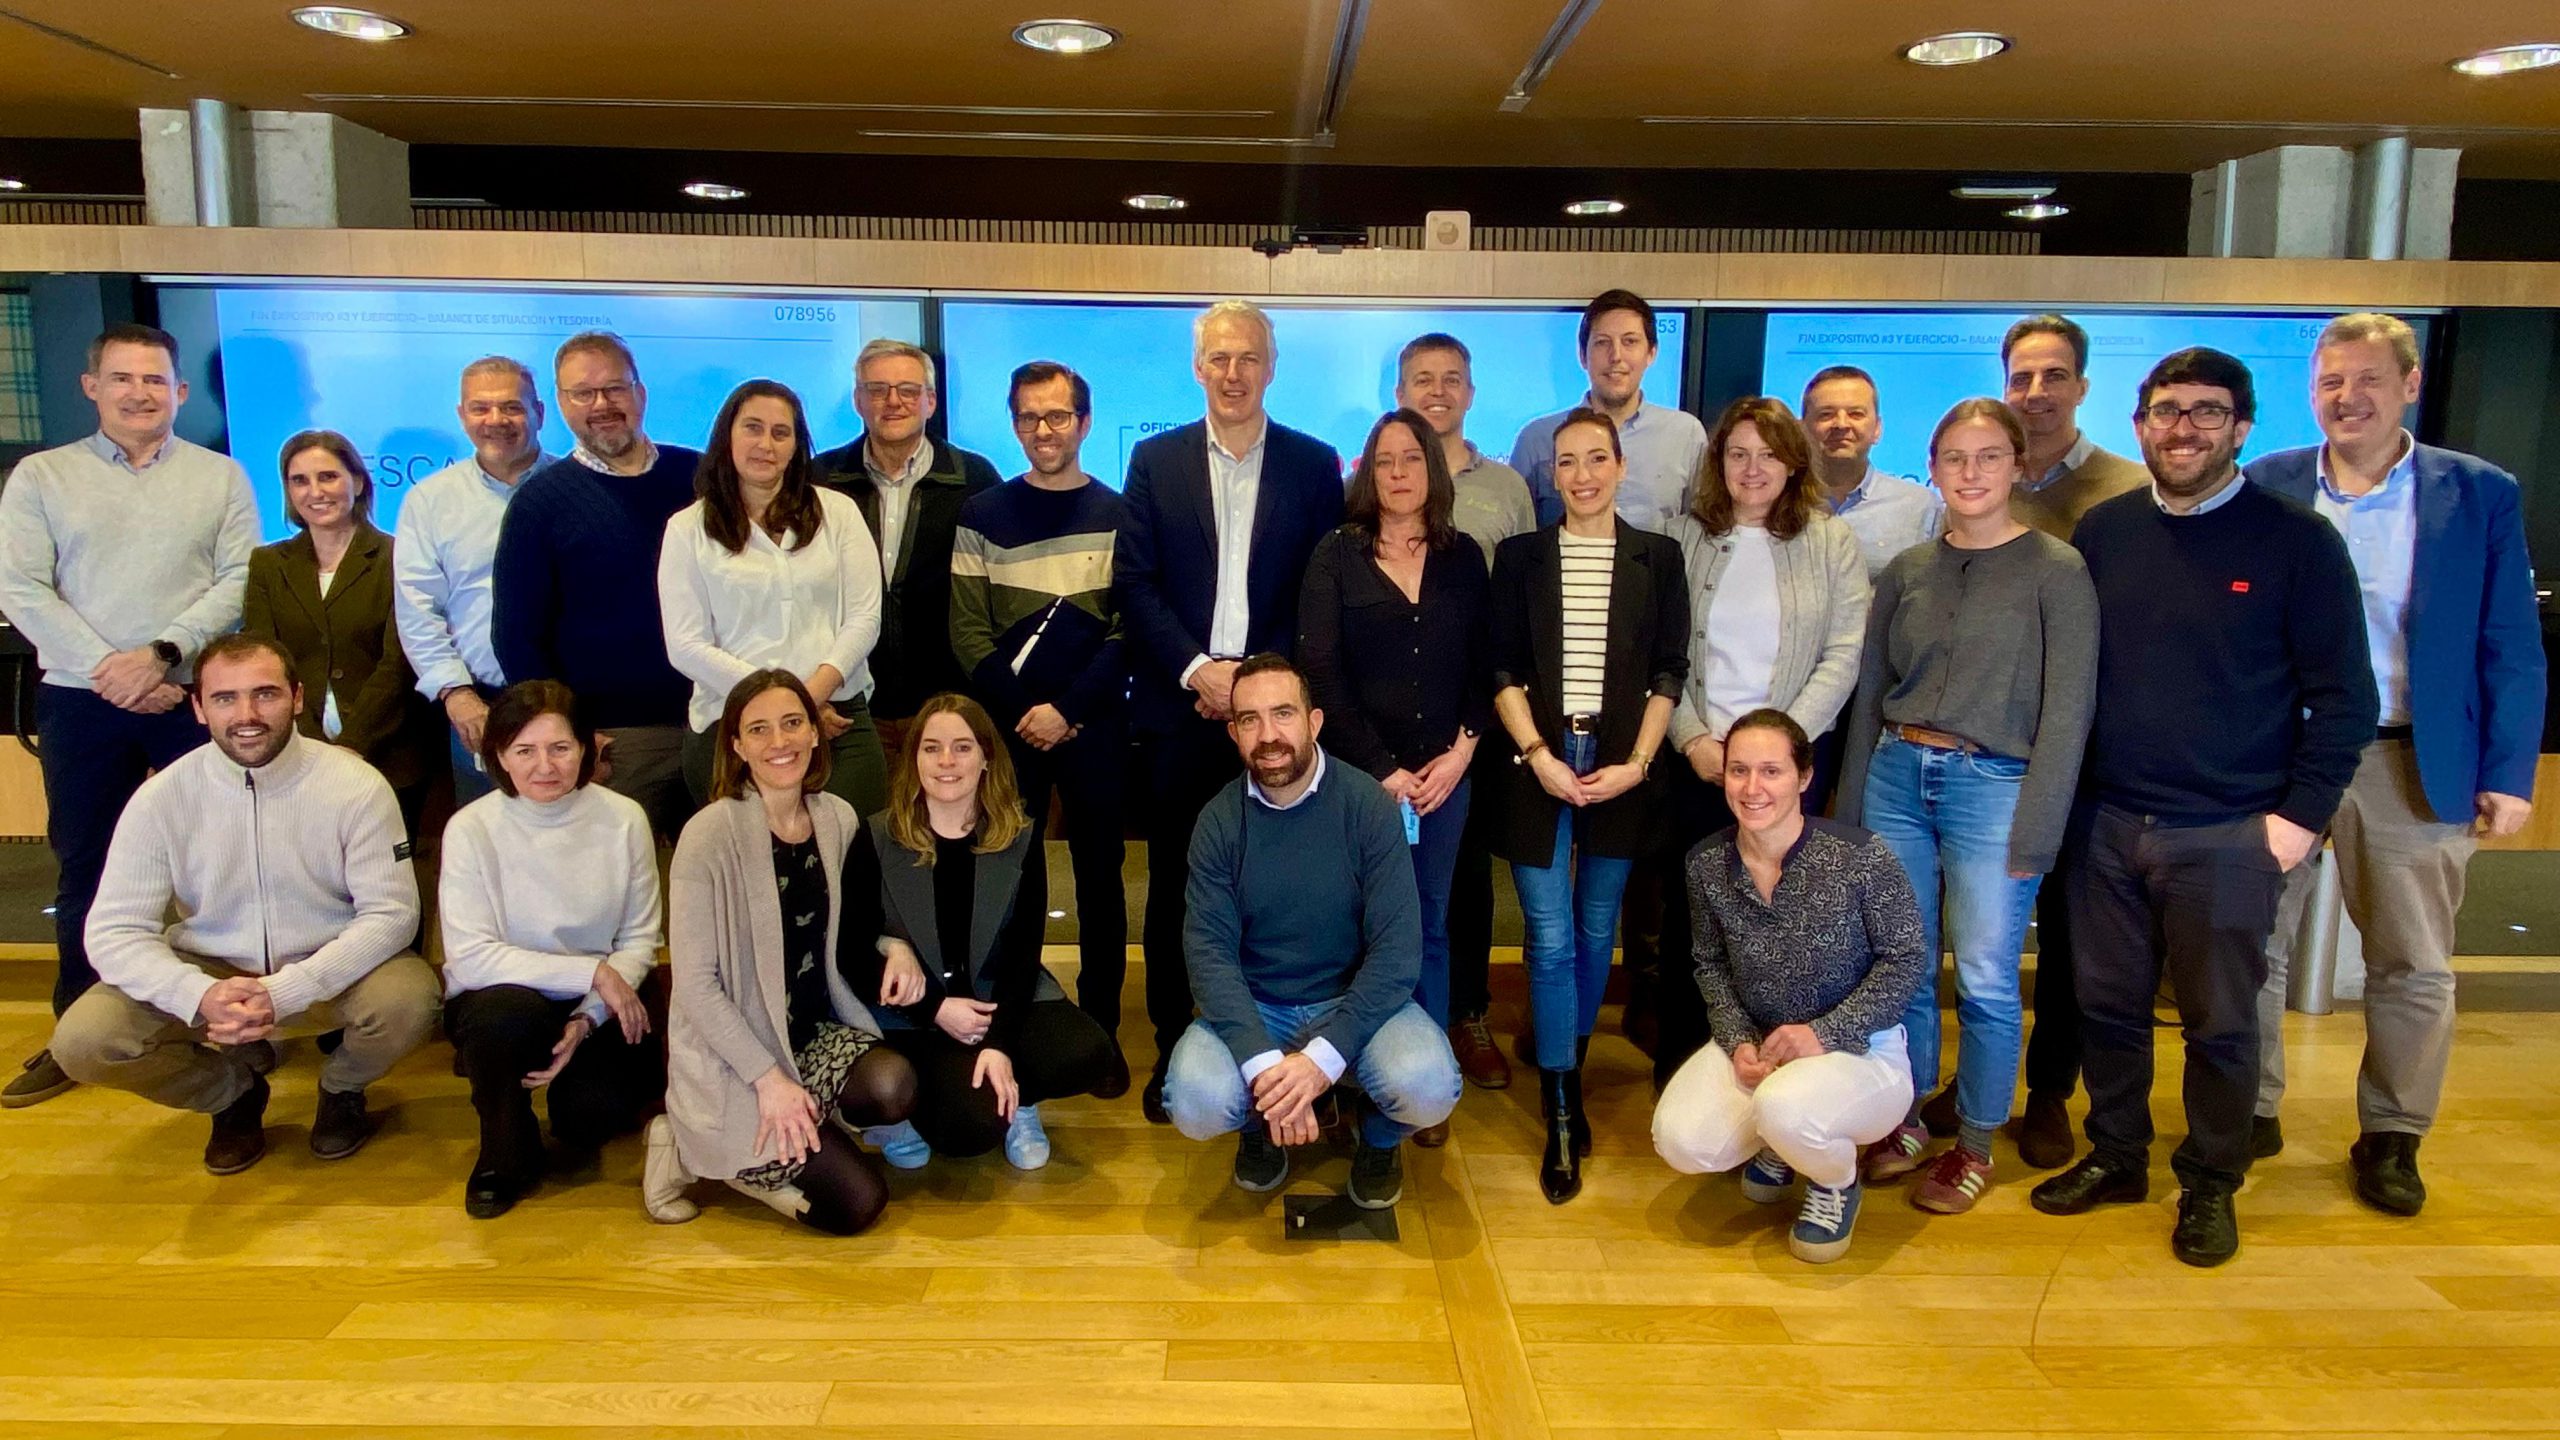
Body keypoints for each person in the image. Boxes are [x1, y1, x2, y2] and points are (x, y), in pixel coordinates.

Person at [2030, 348, 2375, 1269]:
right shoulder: (2104, 533)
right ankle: (2116, 1156)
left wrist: (2297, 822)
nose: (2183, 429)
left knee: (2222, 1022)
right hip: (2106, 822)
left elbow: (2346, 698)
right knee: (2106, 1007)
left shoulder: (2297, 542)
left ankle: (2211, 1182)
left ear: (2242, 429)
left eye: (2206, 413)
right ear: (2139, 424)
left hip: (2228, 830)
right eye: (2167, 411)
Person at [2244, 312, 2545, 1215]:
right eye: (2332, 381)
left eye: (2368, 379)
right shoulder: (2271, 483)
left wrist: (2510, 771)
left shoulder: (2477, 492)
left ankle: (2392, 1134)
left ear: (2409, 385)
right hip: (2284, 753)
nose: (2349, 397)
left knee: (2412, 961)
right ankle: (2250, 1110)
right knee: (2249, 944)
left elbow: (2511, 642)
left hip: (2412, 755)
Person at [1834, 398, 2099, 1212]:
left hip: (1997, 789)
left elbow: (2068, 710)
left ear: (2017, 465)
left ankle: (1976, 1141)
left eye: (1988, 457)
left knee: (1984, 977)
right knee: (1903, 969)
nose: (1971, 473)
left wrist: (2041, 828)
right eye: (1954, 458)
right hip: (1897, 775)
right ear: (1934, 467)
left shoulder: (2058, 570)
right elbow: (1872, 690)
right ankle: (1906, 1116)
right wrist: (1850, 811)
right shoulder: (1911, 569)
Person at [51, 634, 434, 1172]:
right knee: (84, 1041)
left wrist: (286, 991)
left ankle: (342, 1088)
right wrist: (199, 994)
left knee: (410, 1000)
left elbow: (392, 915)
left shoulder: (356, 785)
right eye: (225, 698)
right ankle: (231, 1096)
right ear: (199, 708)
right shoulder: (162, 798)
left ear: (297, 698)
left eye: (266, 694)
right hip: (211, 973)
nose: (247, 714)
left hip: (325, 969)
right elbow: (114, 931)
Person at [0, 323, 256, 1109]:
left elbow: (240, 578)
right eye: (123, 379)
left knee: (221, 868)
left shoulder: (220, 477)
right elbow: (21, 588)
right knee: (89, 866)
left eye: (154, 380)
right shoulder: (41, 478)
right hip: (83, 701)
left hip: (189, 697)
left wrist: (162, 655)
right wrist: (113, 672)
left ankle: (233, 1023)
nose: (140, 393)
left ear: (180, 390)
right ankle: (77, 1033)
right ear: (92, 386)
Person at [1119, 300, 1345, 1123]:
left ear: (1271, 367)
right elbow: (1135, 583)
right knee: (1181, 881)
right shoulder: (1155, 460)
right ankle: (1179, 1045)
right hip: (1183, 713)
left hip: (1277, 713)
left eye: (1247, 357)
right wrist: (1197, 671)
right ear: (1196, 367)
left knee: (1283, 882)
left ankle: (1291, 1048)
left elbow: (1319, 590)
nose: (1232, 372)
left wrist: (1254, 686)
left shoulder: (1315, 465)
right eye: (1218, 358)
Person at [1163, 654, 1460, 1207]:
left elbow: (1397, 952)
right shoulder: (1219, 822)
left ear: (1314, 721)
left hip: (1351, 1000)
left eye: (1282, 714)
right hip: (1259, 1005)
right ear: (1233, 732)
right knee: (1193, 1102)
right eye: (1249, 719)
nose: (1268, 735)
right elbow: (1208, 957)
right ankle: (1260, 1132)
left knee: (1430, 1087)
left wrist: (1322, 1060)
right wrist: (1263, 1064)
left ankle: (1376, 1139)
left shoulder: (1368, 805)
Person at [1484, 406, 1689, 1204]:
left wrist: (1639, 763)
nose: (1581, 476)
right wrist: (1536, 754)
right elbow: (1500, 668)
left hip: (1622, 767)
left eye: (1596, 459)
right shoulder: (1521, 556)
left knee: (1597, 930)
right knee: (1548, 933)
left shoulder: (1658, 557)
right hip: (1536, 760)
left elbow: (1670, 670)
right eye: (1566, 462)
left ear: (1620, 467)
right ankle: (1561, 1105)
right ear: (1551, 473)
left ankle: (1567, 1069)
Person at [1651, 709, 1928, 1264]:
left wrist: (1823, 1034)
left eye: (1771, 771)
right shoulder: (1706, 863)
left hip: (1859, 1050)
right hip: (1760, 1041)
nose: (1753, 788)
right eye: (1738, 771)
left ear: (1804, 777)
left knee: (1785, 1109)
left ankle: (1835, 1179)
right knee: (1681, 1140)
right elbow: (1709, 964)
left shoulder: (1860, 857)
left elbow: (1906, 960)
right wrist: (1737, 1042)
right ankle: (1785, 1141)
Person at [647, 670, 919, 1234]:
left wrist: (896, 948)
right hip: (739, 1055)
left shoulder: (836, 819)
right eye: (760, 729)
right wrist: (768, 1081)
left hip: (813, 1034)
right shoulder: (708, 835)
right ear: (737, 746)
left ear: (816, 733)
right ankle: (686, 1145)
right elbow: (697, 985)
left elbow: (861, 925)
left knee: (894, 1085)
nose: (780, 742)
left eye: (793, 723)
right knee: (856, 1206)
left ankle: (808, 1117)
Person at [1649, 398, 1867, 1086]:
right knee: (1695, 920)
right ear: (1718, 463)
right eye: (1737, 453)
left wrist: (1780, 754)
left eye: (1768, 454)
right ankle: (1690, 1067)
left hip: (1788, 771)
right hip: (1700, 763)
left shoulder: (1830, 541)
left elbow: (1843, 652)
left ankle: (1781, 1072)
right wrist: (1690, 740)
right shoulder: (1683, 538)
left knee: (1787, 920)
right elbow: (1660, 653)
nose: (1752, 468)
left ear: (1793, 461)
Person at [1297, 408, 1492, 1145]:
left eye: (1412, 459)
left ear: (1432, 471)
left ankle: (1422, 1080)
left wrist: (1463, 750)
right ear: (1367, 473)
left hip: (1447, 778)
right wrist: (1382, 770)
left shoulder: (1463, 556)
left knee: (1427, 926)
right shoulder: (1336, 553)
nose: (1400, 472)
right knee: (1352, 929)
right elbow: (1320, 669)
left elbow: (1487, 662)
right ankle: (1343, 1078)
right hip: (1357, 782)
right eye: (1385, 461)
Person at [948, 360, 1131, 1093]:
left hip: (1094, 727)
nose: (1043, 430)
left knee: (1101, 881)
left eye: (1057, 416)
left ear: (1084, 423)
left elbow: (1128, 630)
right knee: (1011, 880)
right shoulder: (982, 516)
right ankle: (1011, 1026)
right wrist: (1027, 712)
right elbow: (967, 633)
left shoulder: (1121, 513)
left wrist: (1070, 710)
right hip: (1010, 730)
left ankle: (1103, 1030)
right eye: (1028, 417)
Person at [840, 694, 1119, 1171]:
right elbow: (849, 949)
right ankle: (913, 1112)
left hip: (995, 999)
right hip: (915, 1013)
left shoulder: (1018, 836)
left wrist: (999, 1046)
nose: (947, 761)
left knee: (1091, 1054)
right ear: (914, 758)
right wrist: (935, 1006)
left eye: (962, 747)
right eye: (931, 748)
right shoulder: (877, 835)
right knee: (968, 1132)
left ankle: (1016, 1098)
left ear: (987, 757)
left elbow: (1022, 953)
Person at [1997, 313, 2152, 1167]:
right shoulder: (1985, 479)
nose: (2036, 393)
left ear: (2083, 387)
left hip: (2088, 745)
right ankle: (1966, 1087)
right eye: (2022, 377)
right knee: (1979, 928)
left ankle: (2051, 1090)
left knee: (2068, 934)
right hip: (1989, 747)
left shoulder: (2127, 490)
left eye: (2053, 376)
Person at [439, 680, 665, 1219]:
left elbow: (639, 939)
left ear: (586, 748)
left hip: (603, 997)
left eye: (560, 748)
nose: (545, 765)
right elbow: (472, 956)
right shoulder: (472, 828)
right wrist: (591, 973)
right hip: (505, 996)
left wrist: (588, 1015)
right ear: (498, 756)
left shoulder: (622, 817)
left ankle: (573, 1099)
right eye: (525, 750)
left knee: (589, 1120)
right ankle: (502, 1152)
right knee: (499, 1023)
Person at [491, 331, 702, 838]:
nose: (601, 404)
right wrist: (571, 736)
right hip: (615, 742)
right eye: (583, 394)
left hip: (716, 725)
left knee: (721, 897)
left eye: (614, 388)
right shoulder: (539, 503)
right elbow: (517, 637)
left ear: (641, 393)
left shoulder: (699, 477)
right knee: (628, 898)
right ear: (561, 405)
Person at [1397, 332, 1533, 1094]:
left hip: (1478, 725)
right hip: (1389, 737)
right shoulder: (1378, 477)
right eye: (1422, 379)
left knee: (1468, 880)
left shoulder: (1507, 488)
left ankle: (1466, 1014)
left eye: (1452, 379)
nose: (1437, 391)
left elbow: (1517, 608)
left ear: (1471, 393)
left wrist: (1483, 728)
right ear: (1401, 392)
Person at [660, 378, 889, 813]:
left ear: (796, 445)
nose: (766, 444)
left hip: (836, 716)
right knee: (749, 873)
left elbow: (864, 618)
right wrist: (790, 711)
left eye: (780, 433)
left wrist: (809, 700)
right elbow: (685, 645)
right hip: (730, 724)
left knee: (856, 864)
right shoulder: (687, 529)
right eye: (752, 428)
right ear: (727, 434)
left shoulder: (838, 513)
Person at [244, 430, 437, 830]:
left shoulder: (398, 556)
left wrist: (352, 747)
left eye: (328, 476)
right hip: (296, 758)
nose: (315, 491)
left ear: (359, 481)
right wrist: (311, 751)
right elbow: (263, 662)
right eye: (300, 480)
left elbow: (398, 664)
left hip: (389, 756)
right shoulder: (267, 564)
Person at [816, 338, 1000, 756]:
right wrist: (812, 694)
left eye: (908, 390)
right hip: (848, 710)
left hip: (949, 710)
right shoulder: (820, 480)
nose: (893, 402)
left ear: (931, 401)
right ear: (858, 400)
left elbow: (994, 601)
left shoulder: (976, 478)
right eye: (877, 390)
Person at [394, 355, 556, 806]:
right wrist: (456, 694)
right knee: (490, 849)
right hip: (480, 708)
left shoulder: (574, 488)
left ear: (539, 413)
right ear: (462, 416)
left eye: (511, 407)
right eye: (481, 408)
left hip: (573, 706)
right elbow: (418, 610)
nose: (496, 420)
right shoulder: (429, 501)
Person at [1511, 289, 1708, 533]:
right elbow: (1518, 537)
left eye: (1630, 341)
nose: (1616, 356)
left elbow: (1699, 535)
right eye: (1602, 343)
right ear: (1583, 355)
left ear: (1651, 353)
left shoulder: (1686, 434)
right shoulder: (1536, 438)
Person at [1803, 365, 1944, 578]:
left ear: (1877, 428)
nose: (1841, 424)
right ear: (1802, 427)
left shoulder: (1921, 508)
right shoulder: (1778, 503)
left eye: (1855, 414)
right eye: (1826, 414)